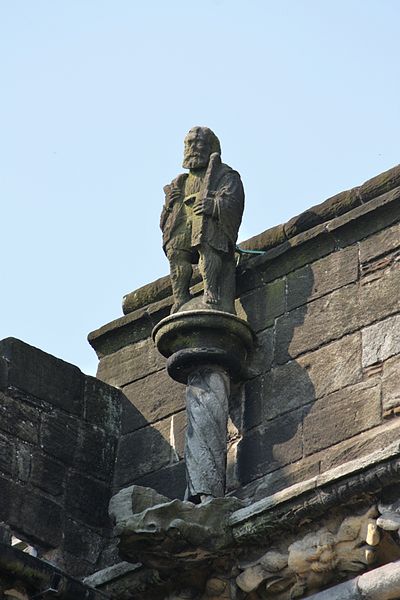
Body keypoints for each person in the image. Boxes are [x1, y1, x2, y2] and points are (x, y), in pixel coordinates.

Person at [160, 126, 244, 314]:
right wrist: (169, 205)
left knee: (206, 244)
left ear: (210, 147)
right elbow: (164, 219)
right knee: (175, 251)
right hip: (183, 224)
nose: (193, 148)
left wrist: (213, 206)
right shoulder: (180, 182)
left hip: (208, 224)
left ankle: (211, 290)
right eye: (189, 143)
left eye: (199, 143)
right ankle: (181, 296)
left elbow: (233, 200)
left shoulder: (224, 175)